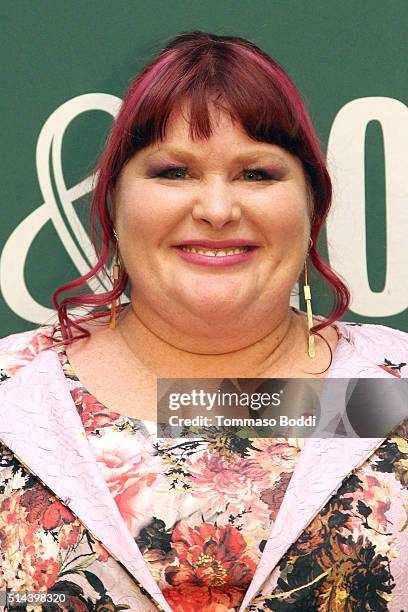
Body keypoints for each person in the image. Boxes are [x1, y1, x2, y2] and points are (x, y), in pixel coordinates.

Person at [0, 30, 407, 612]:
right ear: (113, 204)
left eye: (257, 174)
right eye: (174, 172)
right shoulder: (12, 393)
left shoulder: (394, 390)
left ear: (312, 208)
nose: (217, 210)